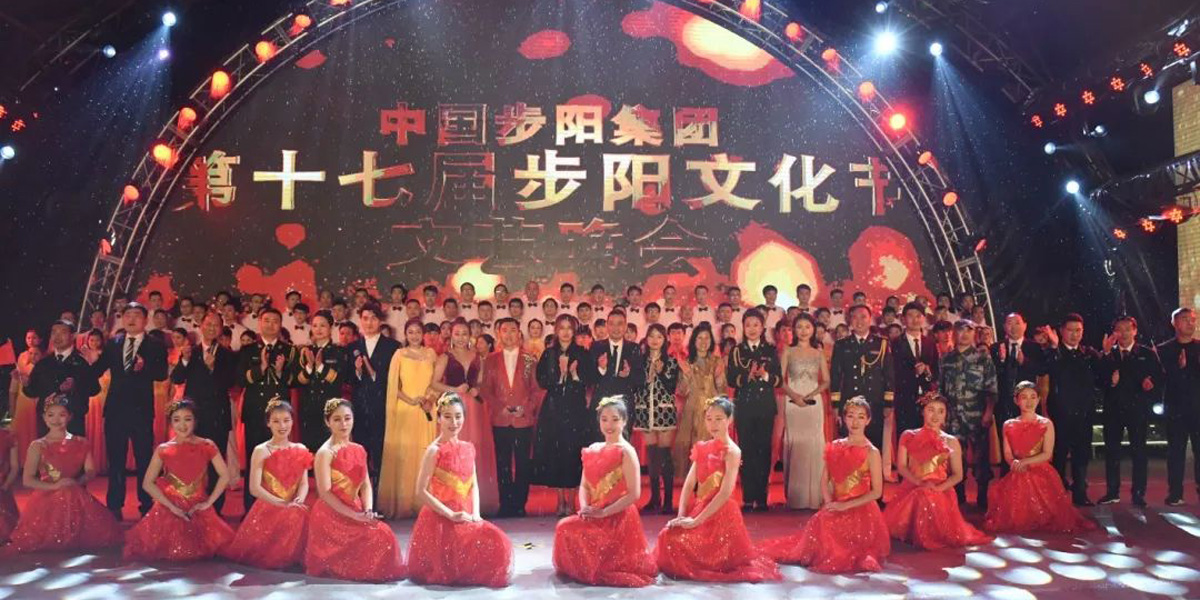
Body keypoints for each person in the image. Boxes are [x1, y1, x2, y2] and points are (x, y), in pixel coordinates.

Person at [655, 396, 780, 582]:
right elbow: (689, 484)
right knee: (668, 537)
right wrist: (681, 515)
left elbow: (725, 493)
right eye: (709, 418)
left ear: (730, 420)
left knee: (700, 554)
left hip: (721, 514)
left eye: (719, 419)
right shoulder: (703, 447)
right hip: (700, 510)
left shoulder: (733, 451)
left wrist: (696, 521)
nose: (713, 424)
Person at [761, 397, 890, 573]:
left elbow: (876, 492)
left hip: (861, 512)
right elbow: (824, 479)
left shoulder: (872, 452)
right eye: (851, 416)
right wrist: (829, 503)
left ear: (868, 420)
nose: (855, 422)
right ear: (844, 418)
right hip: (835, 505)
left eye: (861, 417)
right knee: (818, 533)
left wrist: (845, 506)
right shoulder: (835, 446)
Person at [407, 392, 513, 587]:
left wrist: (476, 514)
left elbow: (474, 484)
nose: (454, 422)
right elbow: (420, 491)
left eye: (458, 416)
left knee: (498, 542)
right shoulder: (434, 450)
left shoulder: (468, 448)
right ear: (439, 418)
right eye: (447, 416)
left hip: (466, 515)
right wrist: (450, 514)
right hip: (441, 517)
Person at [552, 396, 657, 587]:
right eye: (604, 419)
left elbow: (634, 494)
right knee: (564, 527)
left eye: (615, 419)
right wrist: (585, 508)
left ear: (624, 421)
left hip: (618, 517)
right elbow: (584, 485)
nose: (609, 425)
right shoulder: (593, 449)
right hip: (594, 513)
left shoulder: (627, 451)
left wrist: (604, 512)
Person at [304, 399, 405, 581]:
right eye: (337, 419)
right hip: (331, 515)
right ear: (327, 422)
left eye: (347, 418)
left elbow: (365, 484)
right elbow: (325, 493)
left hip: (355, 509)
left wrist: (368, 510)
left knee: (384, 535)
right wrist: (355, 515)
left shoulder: (358, 449)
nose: (343, 424)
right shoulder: (325, 453)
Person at [124, 399, 236, 561]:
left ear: (195, 421)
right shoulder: (164, 449)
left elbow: (225, 476)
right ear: (170, 423)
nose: (182, 425)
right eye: (176, 420)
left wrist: (208, 502)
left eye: (187, 419)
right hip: (170, 507)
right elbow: (147, 483)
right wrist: (171, 507)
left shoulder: (207, 445)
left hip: (198, 505)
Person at [6, 396, 122, 551]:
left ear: (70, 417)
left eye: (62, 414)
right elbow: (27, 480)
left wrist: (77, 482)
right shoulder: (38, 445)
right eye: (51, 415)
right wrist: (55, 486)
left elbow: (90, 471)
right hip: (47, 497)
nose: (56, 420)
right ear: (44, 418)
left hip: (75, 493)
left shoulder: (81, 442)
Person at [984, 382, 1097, 533]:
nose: (1029, 401)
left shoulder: (1046, 424)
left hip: (1040, 470)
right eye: (1024, 397)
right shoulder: (1008, 425)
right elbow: (1008, 454)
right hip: (1018, 470)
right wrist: (1015, 463)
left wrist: (1025, 462)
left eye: (1033, 397)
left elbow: (1047, 454)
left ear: (1038, 399)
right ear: (1016, 400)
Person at [884, 393, 993, 549]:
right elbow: (902, 466)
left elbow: (958, 474)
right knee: (920, 495)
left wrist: (938, 488)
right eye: (931, 410)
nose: (935, 416)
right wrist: (919, 482)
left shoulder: (951, 441)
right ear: (923, 411)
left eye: (941, 411)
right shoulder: (908, 435)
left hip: (941, 489)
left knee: (928, 497)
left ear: (945, 415)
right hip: (913, 486)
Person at [94, 303, 169, 519]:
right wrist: (89, 361)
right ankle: (114, 505)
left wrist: (145, 367)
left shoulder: (155, 345)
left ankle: (146, 504)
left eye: (137, 315)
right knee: (116, 460)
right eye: (128, 315)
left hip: (141, 410)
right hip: (116, 410)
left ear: (145, 320)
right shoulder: (113, 343)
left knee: (144, 458)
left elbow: (162, 374)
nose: (132, 319)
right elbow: (98, 369)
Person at [222, 399, 312, 569]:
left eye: (286, 420)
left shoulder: (300, 448)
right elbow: (254, 488)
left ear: (293, 421)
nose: (282, 426)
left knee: (297, 515)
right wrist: (281, 503)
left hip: (293, 506)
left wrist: (299, 499)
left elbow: (304, 483)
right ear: (268, 423)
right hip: (269, 506)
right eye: (276, 421)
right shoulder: (261, 450)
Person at [170, 313, 237, 514]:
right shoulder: (190, 351)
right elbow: (177, 378)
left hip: (218, 417)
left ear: (221, 329)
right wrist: (184, 360)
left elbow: (231, 383)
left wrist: (212, 368)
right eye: (208, 324)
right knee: (192, 463)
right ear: (201, 326)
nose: (211, 328)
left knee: (216, 465)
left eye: (216, 325)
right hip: (194, 418)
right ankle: (190, 505)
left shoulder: (227, 355)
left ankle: (215, 509)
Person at [431, 320, 498, 515]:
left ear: (470, 336)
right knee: (454, 449)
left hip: (475, 408)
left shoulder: (478, 356)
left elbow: (482, 382)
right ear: (451, 336)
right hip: (454, 405)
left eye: (464, 334)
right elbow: (434, 383)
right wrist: (454, 389)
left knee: (476, 448)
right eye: (457, 334)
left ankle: (476, 500)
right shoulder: (445, 357)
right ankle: (453, 499)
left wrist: (478, 389)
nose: (461, 338)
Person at [532, 315, 594, 516]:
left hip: (576, 409)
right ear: (556, 330)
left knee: (574, 454)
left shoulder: (582, 353)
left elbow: (590, 379)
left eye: (569, 328)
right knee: (556, 454)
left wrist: (574, 375)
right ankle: (560, 501)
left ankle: (573, 501)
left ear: (574, 331)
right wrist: (560, 374)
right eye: (562, 328)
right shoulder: (549, 353)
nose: (566, 332)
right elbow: (541, 380)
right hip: (554, 409)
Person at [236, 308, 296, 511]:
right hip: (255, 412)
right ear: (259, 323)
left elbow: (295, 381)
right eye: (266, 320)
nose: (270, 324)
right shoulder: (247, 349)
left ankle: (277, 508)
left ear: (280, 325)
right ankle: (251, 510)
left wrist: (279, 372)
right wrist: (260, 368)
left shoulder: (289, 350)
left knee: (279, 462)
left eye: (275, 321)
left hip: (280, 416)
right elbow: (240, 379)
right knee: (255, 461)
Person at [479, 318, 540, 517]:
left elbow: (536, 390)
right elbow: (486, 389)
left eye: (513, 330)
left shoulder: (530, 360)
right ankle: (505, 503)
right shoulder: (490, 360)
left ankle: (520, 504)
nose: (509, 335)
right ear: (499, 334)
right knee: (503, 463)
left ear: (519, 334)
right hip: (501, 418)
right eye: (504, 330)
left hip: (523, 419)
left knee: (523, 463)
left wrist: (526, 408)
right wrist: (500, 408)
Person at [1098, 316, 1160, 507]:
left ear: (1135, 331)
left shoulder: (1147, 353)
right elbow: (1098, 380)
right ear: (1114, 332)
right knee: (1112, 452)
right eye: (1119, 329)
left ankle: (1138, 493)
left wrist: (1150, 384)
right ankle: (1112, 492)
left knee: (1139, 452)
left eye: (1127, 329)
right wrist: (1107, 362)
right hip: (1113, 411)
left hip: (1137, 410)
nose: (1123, 333)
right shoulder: (1108, 353)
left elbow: (1159, 377)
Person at [1042, 313, 1103, 506]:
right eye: (1070, 330)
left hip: (1084, 412)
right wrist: (1054, 347)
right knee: (1059, 453)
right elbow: (1049, 369)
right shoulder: (1054, 351)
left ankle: (1080, 493)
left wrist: (1107, 354)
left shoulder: (1089, 353)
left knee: (1082, 454)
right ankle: (1057, 494)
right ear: (1061, 331)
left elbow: (1102, 376)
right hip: (1060, 412)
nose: (1074, 334)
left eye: (1078, 330)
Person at [378, 316, 436, 518]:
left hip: (427, 409)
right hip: (406, 409)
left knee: (425, 453)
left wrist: (429, 398)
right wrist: (410, 400)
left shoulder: (431, 354)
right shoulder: (399, 354)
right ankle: (404, 502)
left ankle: (425, 503)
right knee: (405, 455)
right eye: (410, 332)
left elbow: (436, 381)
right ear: (405, 334)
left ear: (423, 334)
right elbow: (394, 386)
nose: (414, 336)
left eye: (418, 332)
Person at [939, 319, 999, 509]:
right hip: (953, 418)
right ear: (954, 333)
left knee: (981, 459)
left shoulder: (983, 359)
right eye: (960, 330)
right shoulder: (946, 359)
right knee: (956, 459)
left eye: (969, 331)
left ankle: (982, 497)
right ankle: (959, 497)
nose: (964, 334)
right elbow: (941, 391)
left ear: (974, 334)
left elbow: (992, 389)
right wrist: (942, 417)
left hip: (977, 416)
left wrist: (988, 412)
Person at [829, 305, 895, 474]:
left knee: (873, 446)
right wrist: (835, 405)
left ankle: (874, 487)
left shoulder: (882, 343)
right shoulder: (842, 345)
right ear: (849, 320)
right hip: (850, 403)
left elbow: (889, 375)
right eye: (855, 317)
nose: (859, 321)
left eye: (863, 317)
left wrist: (888, 403)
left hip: (874, 402)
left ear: (870, 319)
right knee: (849, 446)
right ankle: (850, 486)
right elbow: (836, 376)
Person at [727, 309, 781, 512]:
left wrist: (765, 375)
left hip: (765, 406)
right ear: (743, 326)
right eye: (748, 325)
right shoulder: (737, 350)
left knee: (763, 451)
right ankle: (749, 498)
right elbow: (731, 378)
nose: (752, 329)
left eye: (756, 325)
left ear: (762, 327)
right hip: (745, 406)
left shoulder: (771, 350)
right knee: (747, 451)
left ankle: (762, 497)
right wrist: (746, 377)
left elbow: (779, 380)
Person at [781, 314, 829, 509]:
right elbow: (780, 380)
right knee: (796, 443)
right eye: (799, 327)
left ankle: (815, 495)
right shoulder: (788, 351)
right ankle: (796, 497)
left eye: (807, 327)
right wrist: (795, 395)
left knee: (813, 443)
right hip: (792, 401)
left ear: (813, 330)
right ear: (794, 330)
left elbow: (826, 381)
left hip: (813, 402)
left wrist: (811, 394)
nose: (803, 331)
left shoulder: (818, 353)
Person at [634, 323, 681, 513]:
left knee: (665, 455)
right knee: (652, 456)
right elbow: (636, 386)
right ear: (646, 339)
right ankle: (654, 498)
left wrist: (660, 372)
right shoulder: (639, 361)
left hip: (664, 412)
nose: (655, 340)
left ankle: (668, 500)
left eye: (659, 337)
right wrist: (646, 378)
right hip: (645, 411)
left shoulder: (671, 361)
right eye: (651, 336)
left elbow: (672, 387)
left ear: (665, 340)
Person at [26, 319, 100, 437]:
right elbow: (32, 392)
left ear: (73, 336)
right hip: (47, 424)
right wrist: (26, 384)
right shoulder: (43, 363)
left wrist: (76, 385)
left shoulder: (82, 362)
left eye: (63, 332)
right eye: (54, 332)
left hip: (73, 422)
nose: (57, 336)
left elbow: (94, 389)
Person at [673, 324, 725, 480]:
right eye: (699, 338)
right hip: (692, 409)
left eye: (707, 338)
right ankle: (694, 484)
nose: (703, 341)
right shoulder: (687, 362)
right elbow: (682, 391)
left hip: (712, 411)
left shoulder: (717, 361)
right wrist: (687, 374)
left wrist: (719, 377)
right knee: (692, 448)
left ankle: (708, 485)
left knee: (710, 448)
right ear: (694, 341)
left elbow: (722, 390)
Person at [1160, 308, 1200, 506]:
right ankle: (1175, 493)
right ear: (1174, 323)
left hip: (1198, 409)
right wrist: (1178, 368)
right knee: (1175, 453)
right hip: (1176, 410)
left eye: (1193, 319)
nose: (1190, 323)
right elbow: (1161, 379)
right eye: (1185, 319)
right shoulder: (1163, 350)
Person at [296, 310, 349, 453]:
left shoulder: (339, 351)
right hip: (308, 407)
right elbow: (299, 381)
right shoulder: (305, 352)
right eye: (315, 326)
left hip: (330, 407)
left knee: (330, 451)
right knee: (309, 451)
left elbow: (339, 381)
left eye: (322, 325)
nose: (318, 329)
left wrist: (320, 367)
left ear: (331, 328)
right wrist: (309, 367)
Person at [590, 310, 642, 438]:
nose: (616, 328)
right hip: (600, 404)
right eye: (612, 324)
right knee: (600, 443)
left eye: (620, 324)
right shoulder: (596, 346)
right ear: (607, 326)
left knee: (622, 444)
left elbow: (640, 379)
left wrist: (629, 374)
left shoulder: (634, 348)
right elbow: (589, 378)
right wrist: (601, 368)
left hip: (624, 405)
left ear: (625, 326)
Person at [893, 303, 939, 436]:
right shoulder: (895, 343)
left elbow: (936, 372)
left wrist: (928, 372)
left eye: (918, 316)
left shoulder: (930, 343)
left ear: (924, 318)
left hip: (927, 400)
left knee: (928, 437)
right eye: (910, 316)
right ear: (903, 319)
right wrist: (912, 372)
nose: (915, 320)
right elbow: (892, 373)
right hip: (904, 399)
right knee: (906, 437)